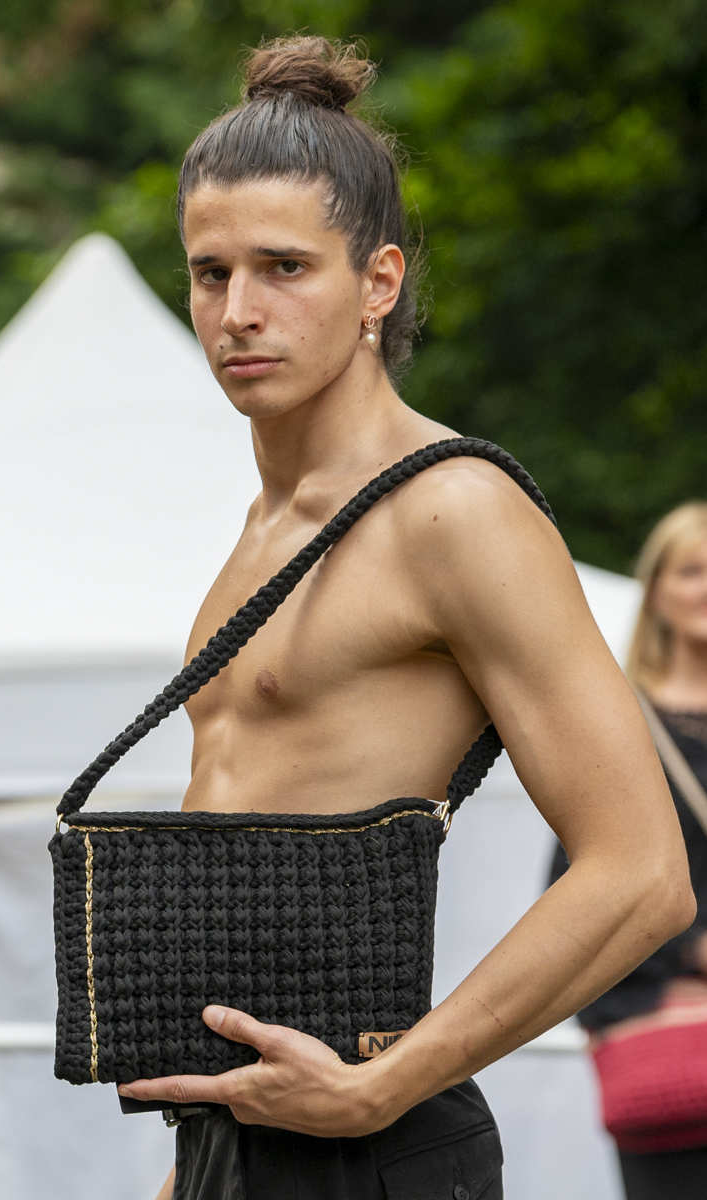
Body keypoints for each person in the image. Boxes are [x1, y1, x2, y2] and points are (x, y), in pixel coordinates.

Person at [115, 35, 695, 1200]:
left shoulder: (453, 509)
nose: (238, 311)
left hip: (373, 1144)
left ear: (377, 283)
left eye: (284, 267)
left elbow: (643, 874)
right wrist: (192, 1165)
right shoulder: (264, 526)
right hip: (234, 1134)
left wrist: (386, 1084)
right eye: (210, 273)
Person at [550, 502, 707, 1200]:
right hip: (668, 1042)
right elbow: (580, 891)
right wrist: (690, 951)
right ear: (657, 592)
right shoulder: (619, 725)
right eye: (692, 570)